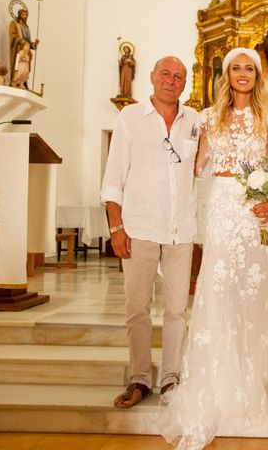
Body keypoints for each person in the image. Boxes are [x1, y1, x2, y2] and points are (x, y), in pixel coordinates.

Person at [160, 48, 268, 450]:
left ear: (257, 76)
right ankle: (214, 383)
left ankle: (247, 383)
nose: (242, 74)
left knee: (252, 296)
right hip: (222, 210)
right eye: (236, 68)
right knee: (218, 293)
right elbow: (194, 168)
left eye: (249, 68)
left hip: (254, 214)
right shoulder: (208, 119)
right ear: (226, 75)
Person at [100, 56, 200, 409]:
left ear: (185, 84)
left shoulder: (195, 122)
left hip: (181, 229)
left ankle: (172, 378)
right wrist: (116, 226)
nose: (172, 81)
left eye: (179, 77)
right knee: (137, 309)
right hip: (139, 227)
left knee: (176, 309)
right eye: (166, 74)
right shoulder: (129, 119)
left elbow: (204, 170)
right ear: (153, 78)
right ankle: (140, 378)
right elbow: (113, 179)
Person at [9, 9, 39, 89]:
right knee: (18, 67)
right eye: (23, 14)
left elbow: (28, 41)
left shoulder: (26, 27)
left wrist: (34, 44)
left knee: (25, 69)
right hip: (19, 49)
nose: (25, 16)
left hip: (27, 50)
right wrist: (23, 42)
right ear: (19, 15)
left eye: (26, 15)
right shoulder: (14, 24)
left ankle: (22, 83)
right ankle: (15, 81)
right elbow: (13, 36)